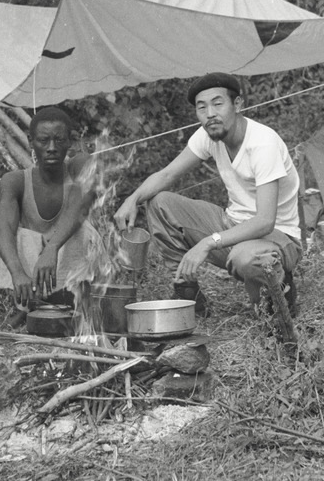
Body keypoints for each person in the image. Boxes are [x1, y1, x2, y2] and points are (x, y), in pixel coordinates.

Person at [113, 73, 302, 320]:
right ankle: (187, 295)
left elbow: (265, 221)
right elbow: (168, 174)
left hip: (278, 237)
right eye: (202, 107)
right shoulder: (209, 135)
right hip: (232, 225)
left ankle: (279, 301)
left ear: (237, 105)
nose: (210, 113)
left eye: (218, 103)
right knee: (160, 203)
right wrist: (132, 199)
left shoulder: (263, 143)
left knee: (245, 257)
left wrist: (208, 242)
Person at [0, 106, 98, 327]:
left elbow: (81, 208)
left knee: (82, 231)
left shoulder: (80, 165)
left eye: (59, 140)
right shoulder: (15, 180)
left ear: (70, 142)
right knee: (8, 237)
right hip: (34, 275)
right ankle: (27, 305)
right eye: (43, 141)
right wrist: (17, 272)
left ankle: (76, 305)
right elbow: (3, 228)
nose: (51, 148)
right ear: (31, 142)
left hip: (75, 272)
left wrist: (52, 248)